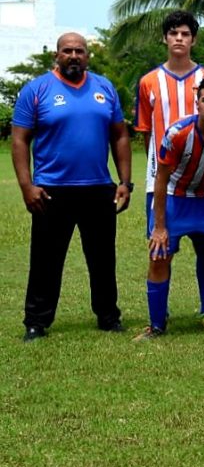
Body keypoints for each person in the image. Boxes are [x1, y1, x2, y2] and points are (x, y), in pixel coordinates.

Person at [13, 32, 132, 341]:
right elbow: (20, 140)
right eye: (67, 51)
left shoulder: (104, 88)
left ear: (88, 56)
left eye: (80, 51)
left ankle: (108, 316)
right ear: (57, 55)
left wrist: (124, 182)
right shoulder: (36, 90)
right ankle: (36, 321)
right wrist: (27, 186)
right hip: (51, 190)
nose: (74, 56)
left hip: (98, 188)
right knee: (46, 260)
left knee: (102, 259)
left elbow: (120, 135)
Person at [134, 76, 204, 340]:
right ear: (197, 104)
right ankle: (156, 325)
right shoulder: (177, 133)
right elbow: (160, 179)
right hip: (175, 198)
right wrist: (159, 226)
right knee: (159, 256)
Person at [134, 11, 204, 327]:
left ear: (193, 39)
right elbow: (146, 132)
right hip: (162, 183)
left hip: (203, 181)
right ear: (165, 38)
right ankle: (160, 313)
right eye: (173, 33)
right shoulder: (149, 81)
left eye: (185, 34)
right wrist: (159, 169)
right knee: (160, 248)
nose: (179, 38)